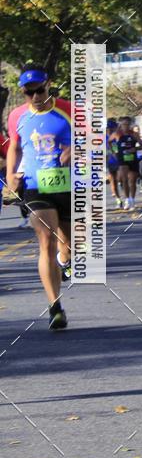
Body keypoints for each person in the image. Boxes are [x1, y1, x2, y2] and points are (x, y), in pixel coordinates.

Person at [5, 65, 71, 329]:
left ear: (49, 85)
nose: (34, 96)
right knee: (46, 240)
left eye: (39, 90)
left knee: (68, 243)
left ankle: (65, 259)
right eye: (28, 92)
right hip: (35, 185)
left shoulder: (69, 109)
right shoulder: (17, 116)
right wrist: (11, 174)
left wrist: (75, 150)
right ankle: (55, 306)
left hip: (68, 185)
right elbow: (14, 146)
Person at [116, 116, 138, 211]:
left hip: (132, 159)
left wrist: (135, 149)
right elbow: (108, 142)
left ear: (130, 125)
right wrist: (114, 152)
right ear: (120, 125)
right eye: (123, 124)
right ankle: (127, 200)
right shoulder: (117, 134)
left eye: (127, 124)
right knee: (124, 179)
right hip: (122, 160)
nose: (125, 126)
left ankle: (132, 200)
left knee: (132, 181)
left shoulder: (134, 134)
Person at [106, 119, 123, 208]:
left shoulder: (116, 137)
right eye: (109, 129)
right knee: (113, 182)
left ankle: (126, 196)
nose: (110, 130)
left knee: (120, 179)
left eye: (112, 129)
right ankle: (118, 200)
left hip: (119, 161)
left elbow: (118, 148)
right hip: (109, 163)